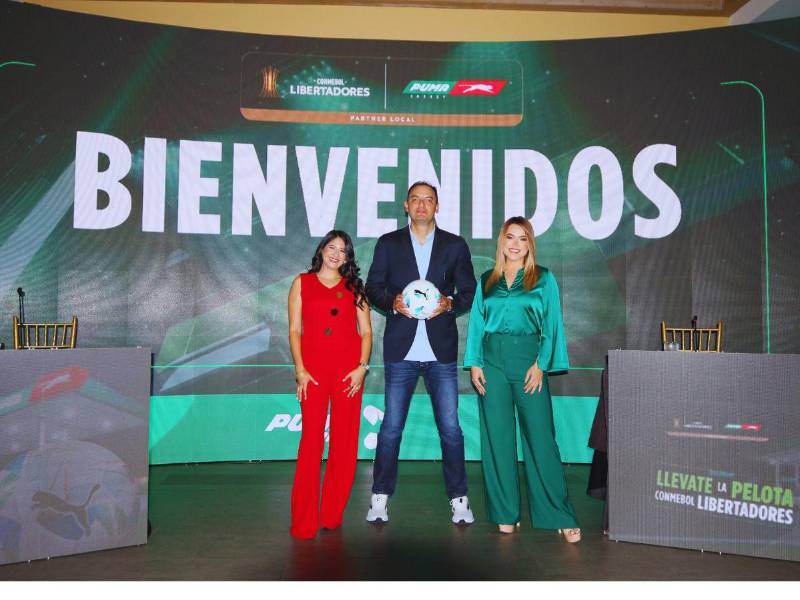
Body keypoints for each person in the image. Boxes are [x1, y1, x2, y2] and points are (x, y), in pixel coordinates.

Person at [364, 181, 477, 524]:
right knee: (391, 429)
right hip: (402, 351)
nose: (422, 205)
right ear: (406, 205)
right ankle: (379, 498)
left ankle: (459, 500)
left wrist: (450, 303)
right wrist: (393, 303)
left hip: (440, 352)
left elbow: (469, 290)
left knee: (451, 429)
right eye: (416, 200)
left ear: (437, 206)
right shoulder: (389, 243)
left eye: (429, 200)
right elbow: (373, 288)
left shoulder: (455, 246)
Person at [463, 216, 581, 542]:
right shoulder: (486, 279)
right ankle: (505, 513)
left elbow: (552, 323)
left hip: (529, 361)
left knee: (541, 441)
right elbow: (476, 323)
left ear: (530, 244)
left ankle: (559, 513)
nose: (515, 244)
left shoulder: (543, 279)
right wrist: (474, 363)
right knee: (497, 441)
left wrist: (541, 363)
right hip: (492, 364)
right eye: (510, 238)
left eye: (522, 239)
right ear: (502, 242)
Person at [288, 230, 372, 540]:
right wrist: (300, 370)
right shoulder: (302, 283)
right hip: (312, 374)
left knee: (345, 444)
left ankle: (332, 514)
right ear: (322, 249)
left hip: (349, 374)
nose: (336, 253)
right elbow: (295, 330)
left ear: (349, 257)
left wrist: (362, 369)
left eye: (343, 250)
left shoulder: (355, 288)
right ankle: (303, 521)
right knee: (310, 442)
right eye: (332, 247)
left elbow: (366, 332)